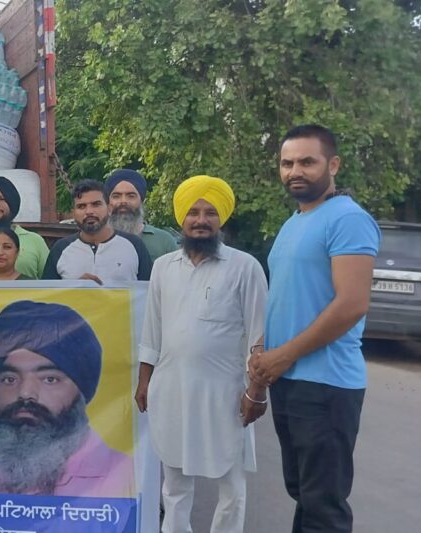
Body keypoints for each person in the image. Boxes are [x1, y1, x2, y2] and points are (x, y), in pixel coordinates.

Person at [249, 125, 380, 533]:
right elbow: (288, 300)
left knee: (323, 506)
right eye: (287, 163)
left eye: (307, 161)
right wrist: (262, 359)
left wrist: (283, 356)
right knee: (304, 495)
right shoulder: (294, 222)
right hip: (290, 380)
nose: (295, 171)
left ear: (333, 164)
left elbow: (352, 304)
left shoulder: (348, 219)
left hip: (326, 384)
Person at [137, 175, 269, 533]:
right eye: (193, 212)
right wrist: (144, 380)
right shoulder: (164, 267)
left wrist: (256, 392)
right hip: (171, 389)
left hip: (226, 392)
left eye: (210, 213)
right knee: (174, 483)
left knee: (231, 485)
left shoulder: (245, 267)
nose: (200, 220)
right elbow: (152, 331)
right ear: (181, 218)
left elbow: (259, 336)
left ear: (221, 218)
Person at [0, 300, 133, 496]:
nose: (25, 393)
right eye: (9, 379)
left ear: (81, 391)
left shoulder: (126, 476)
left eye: (49, 379)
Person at [44, 180, 152, 283]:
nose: (89, 211)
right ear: (74, 213)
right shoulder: (60, 249)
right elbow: (47, 293)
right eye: (81, 206)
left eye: (96, 204)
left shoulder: (134, 245)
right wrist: (77, 288)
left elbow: (149, 290)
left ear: (109, 209)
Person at [105, 169, 179, 262]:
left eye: (131, 196)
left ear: (142, 201)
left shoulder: (164, 241)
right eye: (116, 196)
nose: (123, 201)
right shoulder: (97, 240)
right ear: (107, 202)